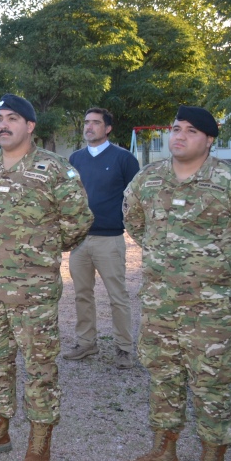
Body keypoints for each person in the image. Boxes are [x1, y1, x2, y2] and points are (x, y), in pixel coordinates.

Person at [120, 106, 231, 461]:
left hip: (211, 308)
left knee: (210, 383)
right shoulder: (149, 179)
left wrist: (217, 263)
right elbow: (134, 221)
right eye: (176, 129)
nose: (180, 136)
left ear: (208, 140)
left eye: (191, 131)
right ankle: (164, 451)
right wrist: (165, 255)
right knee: (164, 376)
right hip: (160, 303)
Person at [0, 94, 92, 461]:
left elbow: (78, 221)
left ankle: (39, 441)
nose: (3, 125)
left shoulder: (54, 170)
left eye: (12, 118)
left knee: (39, 366)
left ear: (30, 126)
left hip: (33, 290)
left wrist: (41, 249)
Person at [65, 108, 140, 369]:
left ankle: (123, 348)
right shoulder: (75, 159)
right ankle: (86, 343)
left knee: (117, 296)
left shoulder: (123, 159)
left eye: (96, 123)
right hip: (81, 241)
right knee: (82, 295)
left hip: (110, 240)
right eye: (86, 122)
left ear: (107, 128)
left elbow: (136, 198)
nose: (89, 127)